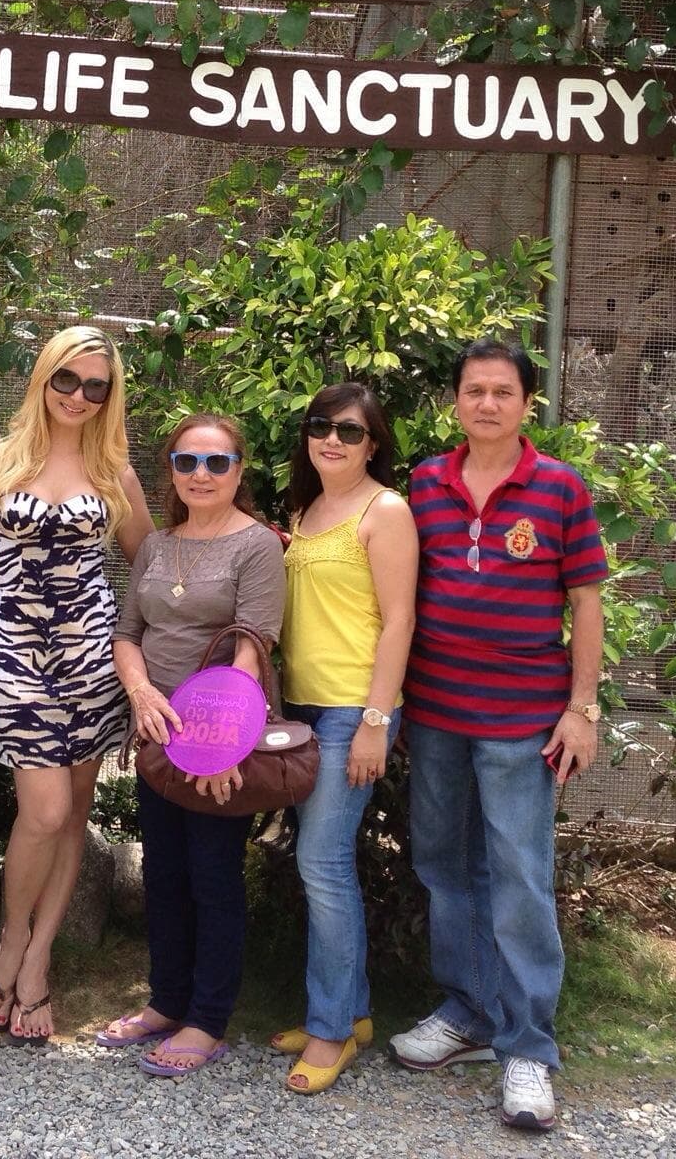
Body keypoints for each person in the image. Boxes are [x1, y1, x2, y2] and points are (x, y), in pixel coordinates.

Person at [390, 339, 609, 1132]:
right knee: (446, 867)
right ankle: (470, 1013)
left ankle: (528, 1048)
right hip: (438, 712)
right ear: (456, 402)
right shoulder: (424, 484)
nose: (487, 403)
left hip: (524, 721)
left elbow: (586, 602)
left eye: (503, 392)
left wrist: (580, 707)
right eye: (474, 390)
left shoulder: (558, 489)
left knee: (519, 877)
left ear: (526, 404)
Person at [0, 326, 152, 1046]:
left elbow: (150, 570)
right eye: (66, 379)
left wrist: (138, 668)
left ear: (110, 395)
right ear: (43, 378)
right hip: (15, 657)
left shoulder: (116, 474)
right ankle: (10, 943)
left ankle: (37, 960)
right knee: (41, 812)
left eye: (95, 386)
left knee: (71, 815)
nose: (78, 396)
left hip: (93, 663)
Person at [94, 415, 284, 1077]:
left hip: (215, 739)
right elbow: (127, 630)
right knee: (164, 872)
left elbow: (251, 646)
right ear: (171, 469)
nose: (200, 475)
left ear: (239, 470)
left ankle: (208, 1019)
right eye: (187, 462)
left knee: (212, 875)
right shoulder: (157, 545)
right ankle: (167, 1001)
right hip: (154, 735)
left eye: (216, 463)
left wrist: (222, 743)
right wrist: (143, 697)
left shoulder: (258, 546)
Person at [271, 382, 417, 1096]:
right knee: (321, 864)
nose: (333, 439)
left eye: (351, 431)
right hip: (298, 709)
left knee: (322, 864)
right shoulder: (303, 510)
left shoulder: (385, 511)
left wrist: (375, 722)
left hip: (348, 711)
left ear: (375, 443)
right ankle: (351, 1013)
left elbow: (398, 622)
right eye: (321, 426)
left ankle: (330, 1033)